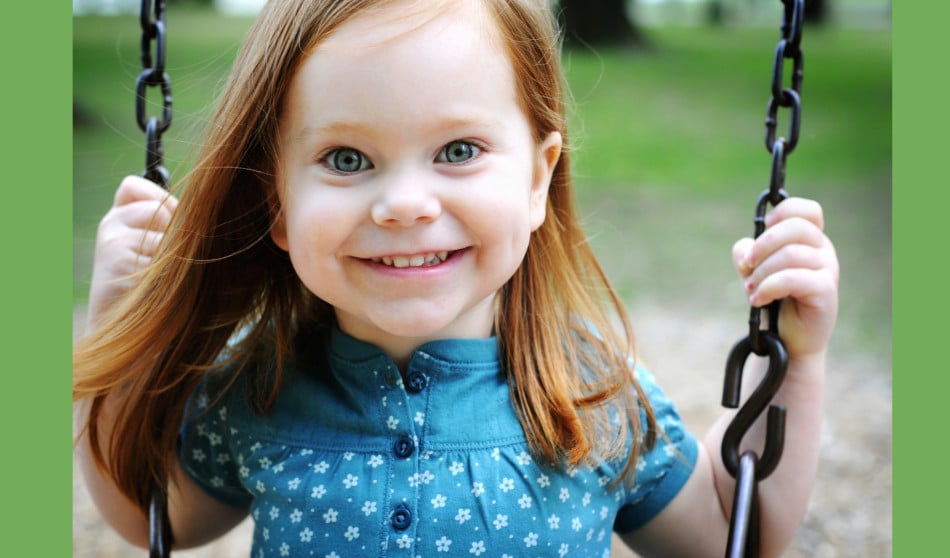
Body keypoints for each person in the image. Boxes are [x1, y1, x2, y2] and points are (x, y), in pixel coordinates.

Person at [73, 0, 839, 556]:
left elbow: (732, 533)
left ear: (537, 180)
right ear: (277, 201)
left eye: (459, 150)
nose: (406, 204)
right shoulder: (262, 386)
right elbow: (153, 513)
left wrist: (796, 363)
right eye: (347, 159)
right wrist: (119, 322)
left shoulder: (592, 398)